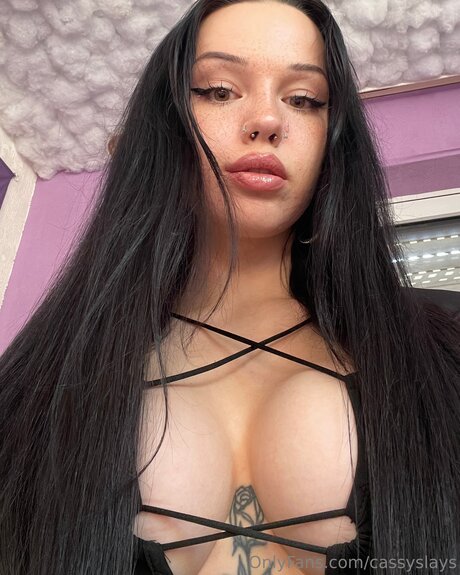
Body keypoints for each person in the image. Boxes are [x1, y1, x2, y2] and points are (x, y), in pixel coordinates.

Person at [0, 1, 459, 574]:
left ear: (332, 143)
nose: (267, 119)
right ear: (164, 128)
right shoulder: (38, 388)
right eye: (220, 90)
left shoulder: (442, 355)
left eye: (303, 99)